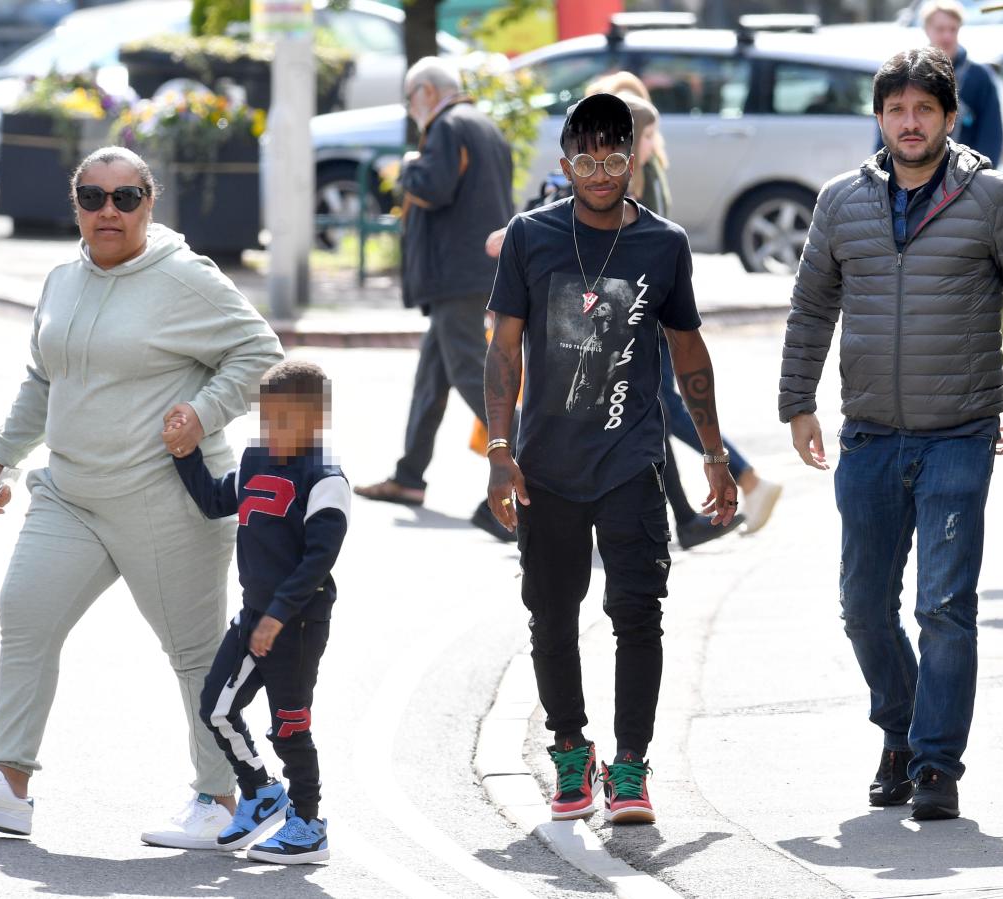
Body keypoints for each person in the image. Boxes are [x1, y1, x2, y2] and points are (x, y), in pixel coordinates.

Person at [0, 146, 285, 846]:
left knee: (194, 653)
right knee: (25, 611)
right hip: (71, 494)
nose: (108, 211)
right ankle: (7, 783)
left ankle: (220, 796)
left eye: (126, 197)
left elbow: (260, 351)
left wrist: (202, 412)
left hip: (164, 499)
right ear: (75, 204)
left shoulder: (187, 279)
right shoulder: (61, 279)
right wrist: (2, 455)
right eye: (93, 197)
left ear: (151, 201)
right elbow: (42, 377)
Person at [779, 48, 1003, 820]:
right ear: (879, 118)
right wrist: (797, 402)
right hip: (869, 437)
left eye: (924, 110)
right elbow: (811, 309)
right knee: (863, 607)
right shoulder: (841, 202)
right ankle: (899, 731)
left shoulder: (993, 199)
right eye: (897, 110)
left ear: (949, 116)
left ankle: (936, 763)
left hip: (958, 437)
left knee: (944, 605)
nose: (910, 123)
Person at [484, 93, 737, 825]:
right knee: (551, 615)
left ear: (637, 158)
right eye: (587, 159)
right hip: (547, 468)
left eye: (615, 157)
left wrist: (715, 454)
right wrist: (500, 452)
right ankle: (571, 748)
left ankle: (630, 765)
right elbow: (503, 351)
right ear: (564, 164)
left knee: (637, 611)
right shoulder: (531, 238)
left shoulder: (664, 244)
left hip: (631, 462)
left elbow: (688, 349)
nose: (601, 172)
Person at [166, 359, 348, 865]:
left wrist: (278, 616)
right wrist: (184, 454)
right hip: (253, 617)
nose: (273, 430)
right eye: (266, 419)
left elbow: (319, 560)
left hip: (298, 624)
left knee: (289, 725)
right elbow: (212, 501)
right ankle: (262, 791)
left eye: (285, 421)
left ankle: (309, 826)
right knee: (215, 707)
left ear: (315, 421)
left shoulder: (325, 478)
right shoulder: (255, 460)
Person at [589, 75, 784, 538]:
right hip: (644, 304)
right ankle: (688, 515)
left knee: (662, 406)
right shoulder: (644, 169)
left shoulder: (633, 178)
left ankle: (745, 480)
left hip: (638, 307)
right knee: (653, 408)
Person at [354, 56, 516, 542]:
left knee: (469, 370)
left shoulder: (447, 127)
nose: (410, 109)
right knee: (433, 375)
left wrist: (406, 166)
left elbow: (433, 186)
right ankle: (408, 476)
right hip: (476, 268)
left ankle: (532, 461)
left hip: (456, 273)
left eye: (409, 99)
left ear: (426, 91)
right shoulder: (484, 125)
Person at [874, 0, 1003, 166]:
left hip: (964, 174)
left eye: (953, 29)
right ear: (927, 29)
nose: (947, 36)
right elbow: (887, 130)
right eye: (940, 29)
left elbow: (991, 133)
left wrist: (983, 174)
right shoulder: (906, 74)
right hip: (913, 172)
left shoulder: (979, 77)